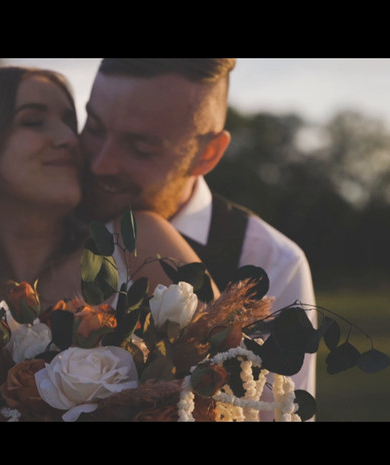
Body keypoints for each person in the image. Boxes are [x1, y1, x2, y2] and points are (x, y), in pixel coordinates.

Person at [0, 65, 205, 376]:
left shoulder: (139, 244)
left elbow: (240, 385)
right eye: (34, 121)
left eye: (70, 121)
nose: (68, 138)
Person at [78, 58, 317, 401]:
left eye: (140, 147)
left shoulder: (271, 261)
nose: (101, 163)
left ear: (207, 154)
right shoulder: (48, 217)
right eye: (95, 128)